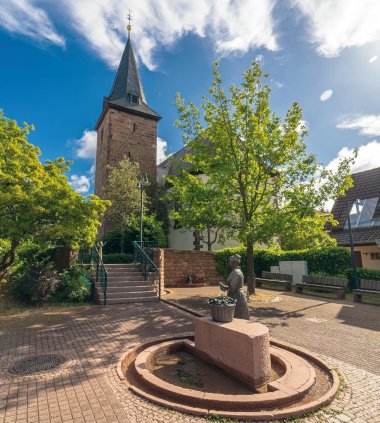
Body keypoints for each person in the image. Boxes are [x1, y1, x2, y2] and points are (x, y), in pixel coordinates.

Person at [219, 254, 250, 320]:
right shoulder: (235, 271)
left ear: (232, 263)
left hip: (237, 296)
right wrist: (224, 287)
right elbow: (232, 287)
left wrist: (224, 287)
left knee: (238, 316)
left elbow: (233, 288)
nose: (228, 263)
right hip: (236, 295)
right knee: (237, 315)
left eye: (229, 262)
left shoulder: (236, 272)